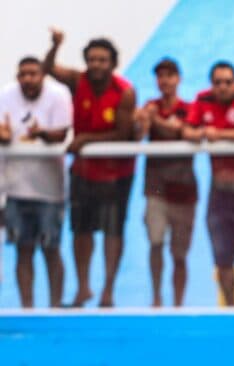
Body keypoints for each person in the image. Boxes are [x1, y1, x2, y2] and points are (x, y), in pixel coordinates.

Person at [43, 29, 136, 308]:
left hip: (116, 175)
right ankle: (83, 288)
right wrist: (55, 46)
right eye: (92, 59)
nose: (96, 64)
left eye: (102, 60)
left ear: (112, 63)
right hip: (83, 172)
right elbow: (47, 69)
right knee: (81, 231)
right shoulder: (77, 81)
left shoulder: (125, 92)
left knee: (112, 231)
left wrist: (85, 139)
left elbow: (123, 133)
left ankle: (108, 291)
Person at [183, 61, 234, 306]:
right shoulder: (203, 99)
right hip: (220, 194)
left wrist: (217, 134)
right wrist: (200, 133)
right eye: (217, 82)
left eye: (228, 82)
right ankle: (231, 307)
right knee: (222, 257)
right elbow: (188, 131)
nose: (222, 87)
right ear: (212, 84)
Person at [0, 57, 72, 308]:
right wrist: (4, 136)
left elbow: (62, 133)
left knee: (51, 249)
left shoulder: (59, 94)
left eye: (33, 74)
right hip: (15, 189)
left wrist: (41, 133)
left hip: (50, 191)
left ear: (43, 75)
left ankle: (55, 306)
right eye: (23, 74)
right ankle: (26, 308)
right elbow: (2, 131)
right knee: (23, 250)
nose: (28, 79)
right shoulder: (6, 95)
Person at [134, 57, 198, 307]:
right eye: (160, 76)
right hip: (156, 189)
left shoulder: (189, 108)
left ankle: (178, 304)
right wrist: (142, 121)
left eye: (169, 75)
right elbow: (138, 136)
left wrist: (155, 120)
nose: (165, 80)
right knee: (156, 243)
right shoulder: (149, 107)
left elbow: (182, 132)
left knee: (179, 254)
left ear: (178, 79)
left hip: (184, 191)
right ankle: (157, 299)